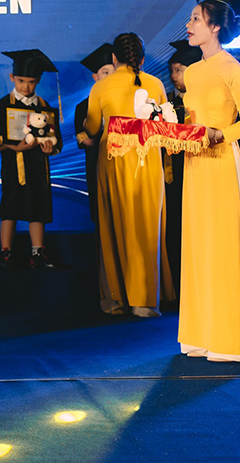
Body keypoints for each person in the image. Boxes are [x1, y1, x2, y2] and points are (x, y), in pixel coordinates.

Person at [178, 0, 240, 361]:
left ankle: (232, 340)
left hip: (224, 164)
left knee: (225, 247)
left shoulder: (232, 68)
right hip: (195, 165)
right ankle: (201, 335)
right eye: (190, 19)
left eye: (196, 19)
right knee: (198, 247)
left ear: (214, 27)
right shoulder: (192, 72)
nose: (189, 25)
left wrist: (220, 134)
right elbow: (191, 121)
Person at [83, 33, 174, 316]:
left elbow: (92, 127)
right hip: (148, 161)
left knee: (115, 224)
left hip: (115, 161)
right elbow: (165, 124)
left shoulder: (102, 86)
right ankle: (145, 301)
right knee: (147, 226)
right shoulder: (156, 84)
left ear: (114, 58)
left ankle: (117, 299)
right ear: (142, 59)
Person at [0, 50, 63, 270]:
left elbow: (56, 140)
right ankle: (6, 251)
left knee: (37, 205)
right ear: (12, 78)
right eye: (21, 81)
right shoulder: (3, 105)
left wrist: (50, 148)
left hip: (38, 165)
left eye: (31, 82)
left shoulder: (45, 106)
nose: (26, 86)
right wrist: (15, 146)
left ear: (38, 80)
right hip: (13, 164)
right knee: (10, 204)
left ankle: (37, 252)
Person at [163, 39, 202, 294]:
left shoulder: (203, 102)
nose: (174, 76)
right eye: (172, 71)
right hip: (172, 176)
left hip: (198, 173)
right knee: (174, 227)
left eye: (179, 70)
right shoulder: (165, 103)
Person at [74, 43, 115, 225]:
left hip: (122, 164)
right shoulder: (84, 106)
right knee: (100, 212)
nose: (111, 77)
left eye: (115, 72)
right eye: (105, 72)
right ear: (95, 77)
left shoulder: (127, 101)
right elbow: (83, 138)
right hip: (97, 162)